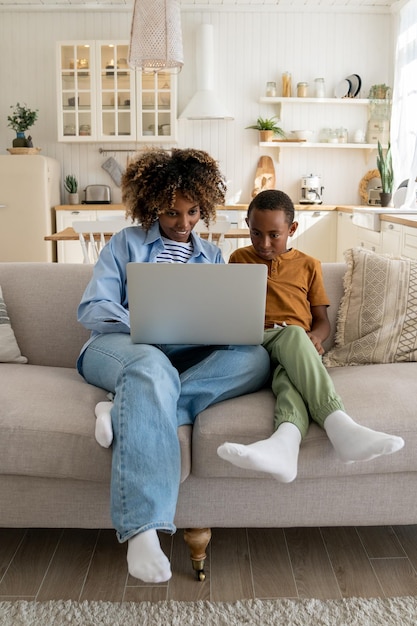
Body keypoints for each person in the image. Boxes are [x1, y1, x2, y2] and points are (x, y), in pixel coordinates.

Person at [76, 148, 270, 584]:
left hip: (182, 357)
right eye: (171, 213)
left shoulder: (212, 256)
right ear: (151, 206)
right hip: (120, 347)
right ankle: (143, 530)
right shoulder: (125, 243)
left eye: (192, 212)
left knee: (255, 358)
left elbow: (218, 316)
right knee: (149, 364)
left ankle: (125, 405)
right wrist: (147, 325)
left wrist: (220, 328)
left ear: (205, 206)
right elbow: (92, 308)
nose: (183, 224)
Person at [217, 189, 404, 482]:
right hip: (257, 342)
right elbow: (228, 310)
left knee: (289, 379)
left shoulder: (309, 265)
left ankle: (284, 443)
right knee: (293, 334)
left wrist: (316, 337)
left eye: (273, 235)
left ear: (292, 229)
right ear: (247, 225)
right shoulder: (238, 258)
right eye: (255, 233)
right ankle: (338, 422)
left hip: (295, 348)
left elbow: (322, 321)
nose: (263, 243)